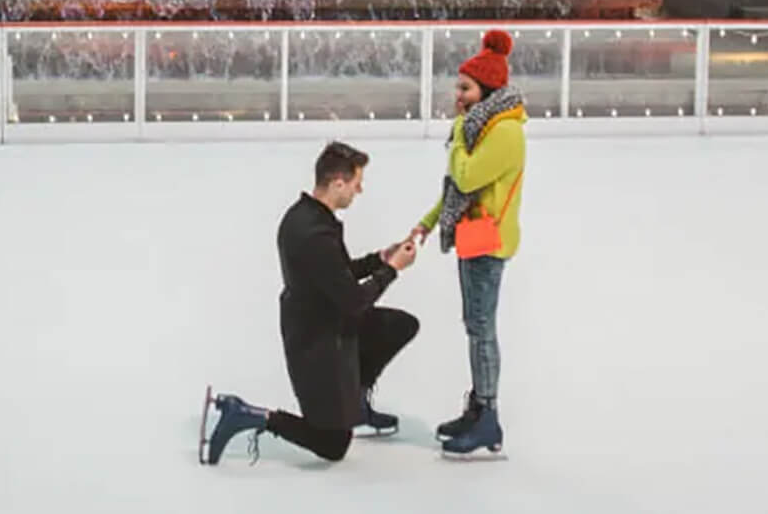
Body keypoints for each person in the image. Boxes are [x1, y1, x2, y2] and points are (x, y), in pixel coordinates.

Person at [201, 143, 421, 466]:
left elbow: (337, 274)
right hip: (317, 342)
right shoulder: (314, 233)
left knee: (398, 326)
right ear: (338, 184)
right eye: (357, 182)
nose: (360, 190)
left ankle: (355, 403)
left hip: (328, 321)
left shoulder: (311, 216)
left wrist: (379, 259)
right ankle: (246, 414)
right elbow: (353, 301)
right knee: (333, 445)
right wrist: (392, 270)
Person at [410, 30, 527, 458]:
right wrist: (425, 225)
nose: (457, 95)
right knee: (475, 325)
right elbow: (455, 193)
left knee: (481, 330)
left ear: (486, 91)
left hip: (488, 242)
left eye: (464, 88)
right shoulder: (485, 128)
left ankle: (488, 417)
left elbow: (466, 177)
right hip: (472, 237)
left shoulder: (504, 132)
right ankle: (478, 408)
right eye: (458, 86)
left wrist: (459, 131)